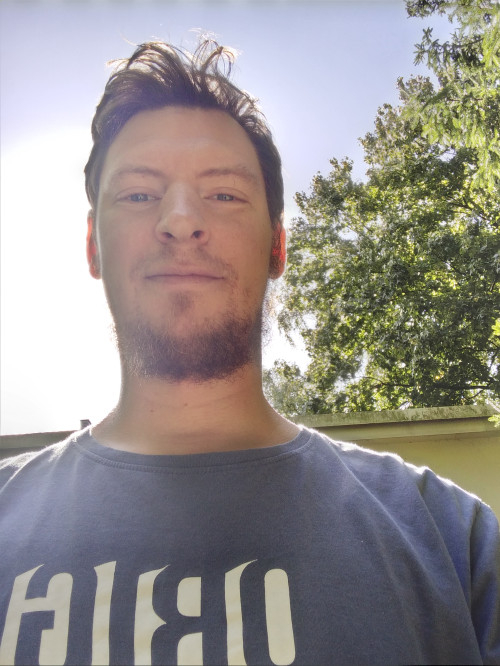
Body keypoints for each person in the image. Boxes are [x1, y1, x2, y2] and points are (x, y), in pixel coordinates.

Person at [0, 39, 499, 666]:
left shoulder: (455, 544)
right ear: (94, 247)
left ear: (277, 247)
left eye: (225, 195)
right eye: (138, 194)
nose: (180, 220)